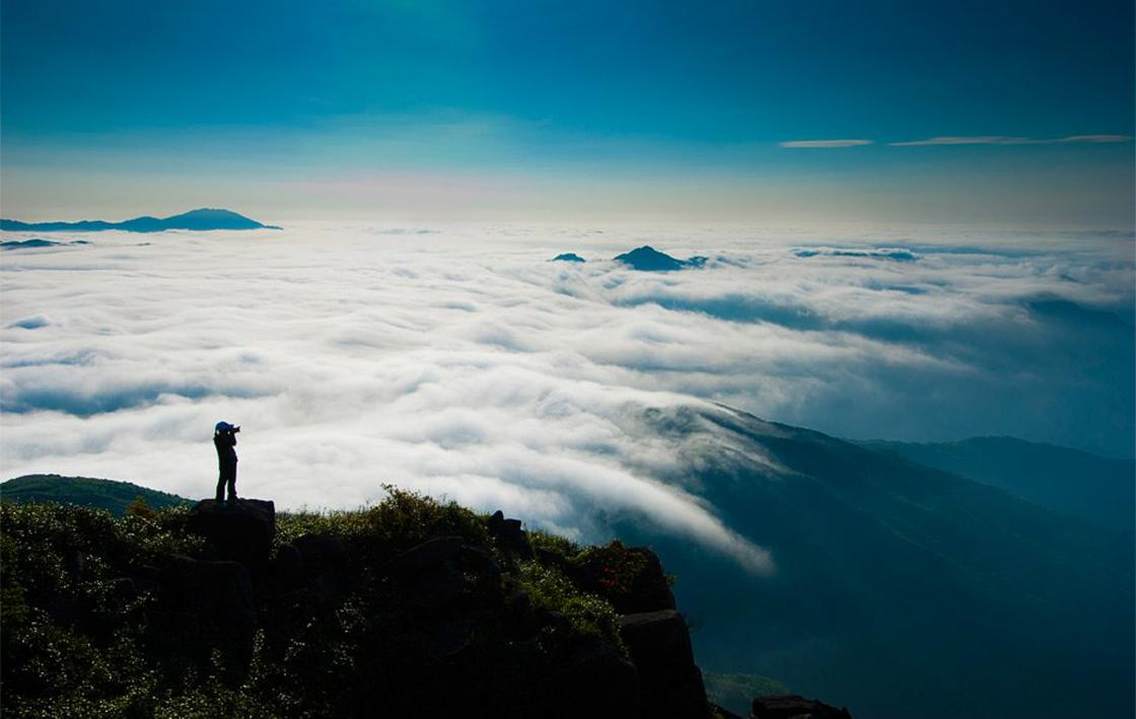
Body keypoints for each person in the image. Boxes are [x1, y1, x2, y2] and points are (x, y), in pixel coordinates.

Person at [214, 421, 240, 503]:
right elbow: (230, 442)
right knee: (223, 482)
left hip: (231, 462)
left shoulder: (222, 438)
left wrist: (231, 433)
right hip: (225, 464)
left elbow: (233, 443)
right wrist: (232, 433)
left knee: (232, 481)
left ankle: (231, 497)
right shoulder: (219, 440)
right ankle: (219, 500)